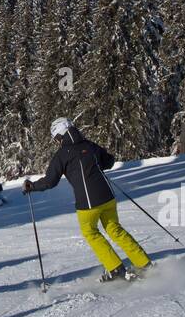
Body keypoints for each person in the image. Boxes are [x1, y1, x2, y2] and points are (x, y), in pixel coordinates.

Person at [22, 117, 152, 282]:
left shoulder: (62, 154)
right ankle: (144, 264)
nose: (56, 142)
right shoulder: (89, 145)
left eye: (56, 138)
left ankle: (116, 269)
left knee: (90, 232)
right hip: (107, 197)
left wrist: (31, 186)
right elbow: (109, 161)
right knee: (115, 230)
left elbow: (50, 181)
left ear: (60, 136)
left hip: (88, 203)